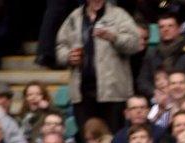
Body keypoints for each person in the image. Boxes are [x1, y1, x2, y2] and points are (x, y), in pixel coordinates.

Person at [55, 0, 142, 132]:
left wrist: (115, 38)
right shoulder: (74, 17)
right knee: (88, 140)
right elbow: (60, 46)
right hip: (82, 94)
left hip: (113, 93)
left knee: (114, 139)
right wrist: (68, 56)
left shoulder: (118, 15)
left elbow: (135, 44)